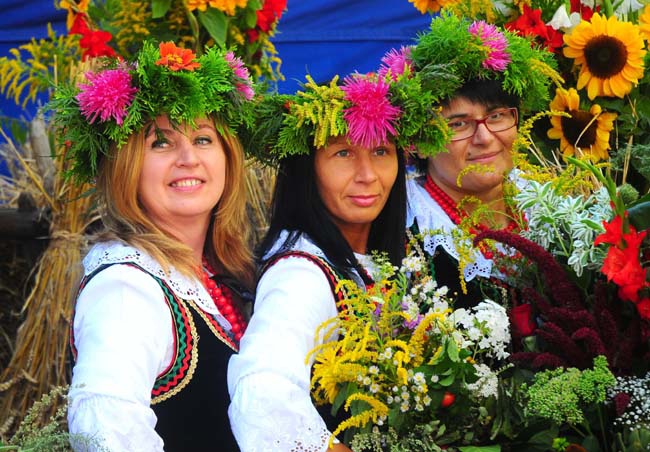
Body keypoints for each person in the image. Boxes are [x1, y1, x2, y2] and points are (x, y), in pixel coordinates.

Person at [50, 41, 256, 451]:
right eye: (160, 143)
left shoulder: (217, 271)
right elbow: (104, 432)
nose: (188, 158)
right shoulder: (127, 289)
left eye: (202, 138)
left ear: (227, 156)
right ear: (128, 166)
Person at [227, 73, 448, 451]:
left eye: (381, 152)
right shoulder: (300, 274)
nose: (367, 176)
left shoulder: (375, 258)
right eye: (343, 153)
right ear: (307, 170)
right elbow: (262, 393)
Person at [396, 13, 560, 308]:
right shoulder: (404, 240)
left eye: (496, 116)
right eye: (459, 124)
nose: (484, 137)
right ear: (420, 143)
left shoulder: (550, 210)